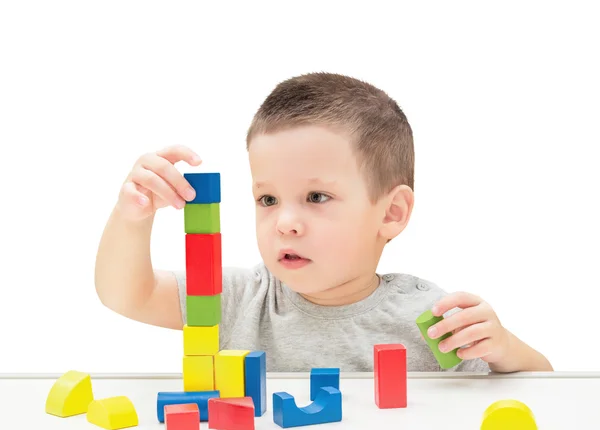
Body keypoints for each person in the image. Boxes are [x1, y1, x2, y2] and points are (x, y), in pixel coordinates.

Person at [95, 72, 553, 374]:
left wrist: (505, 350)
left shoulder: (428, 318)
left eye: (317, 197)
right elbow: (126, 295)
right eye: (267, 199)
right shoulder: (237, 299)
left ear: (391, 214)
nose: (286, 222)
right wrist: (132, 216)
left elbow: (548, 393)